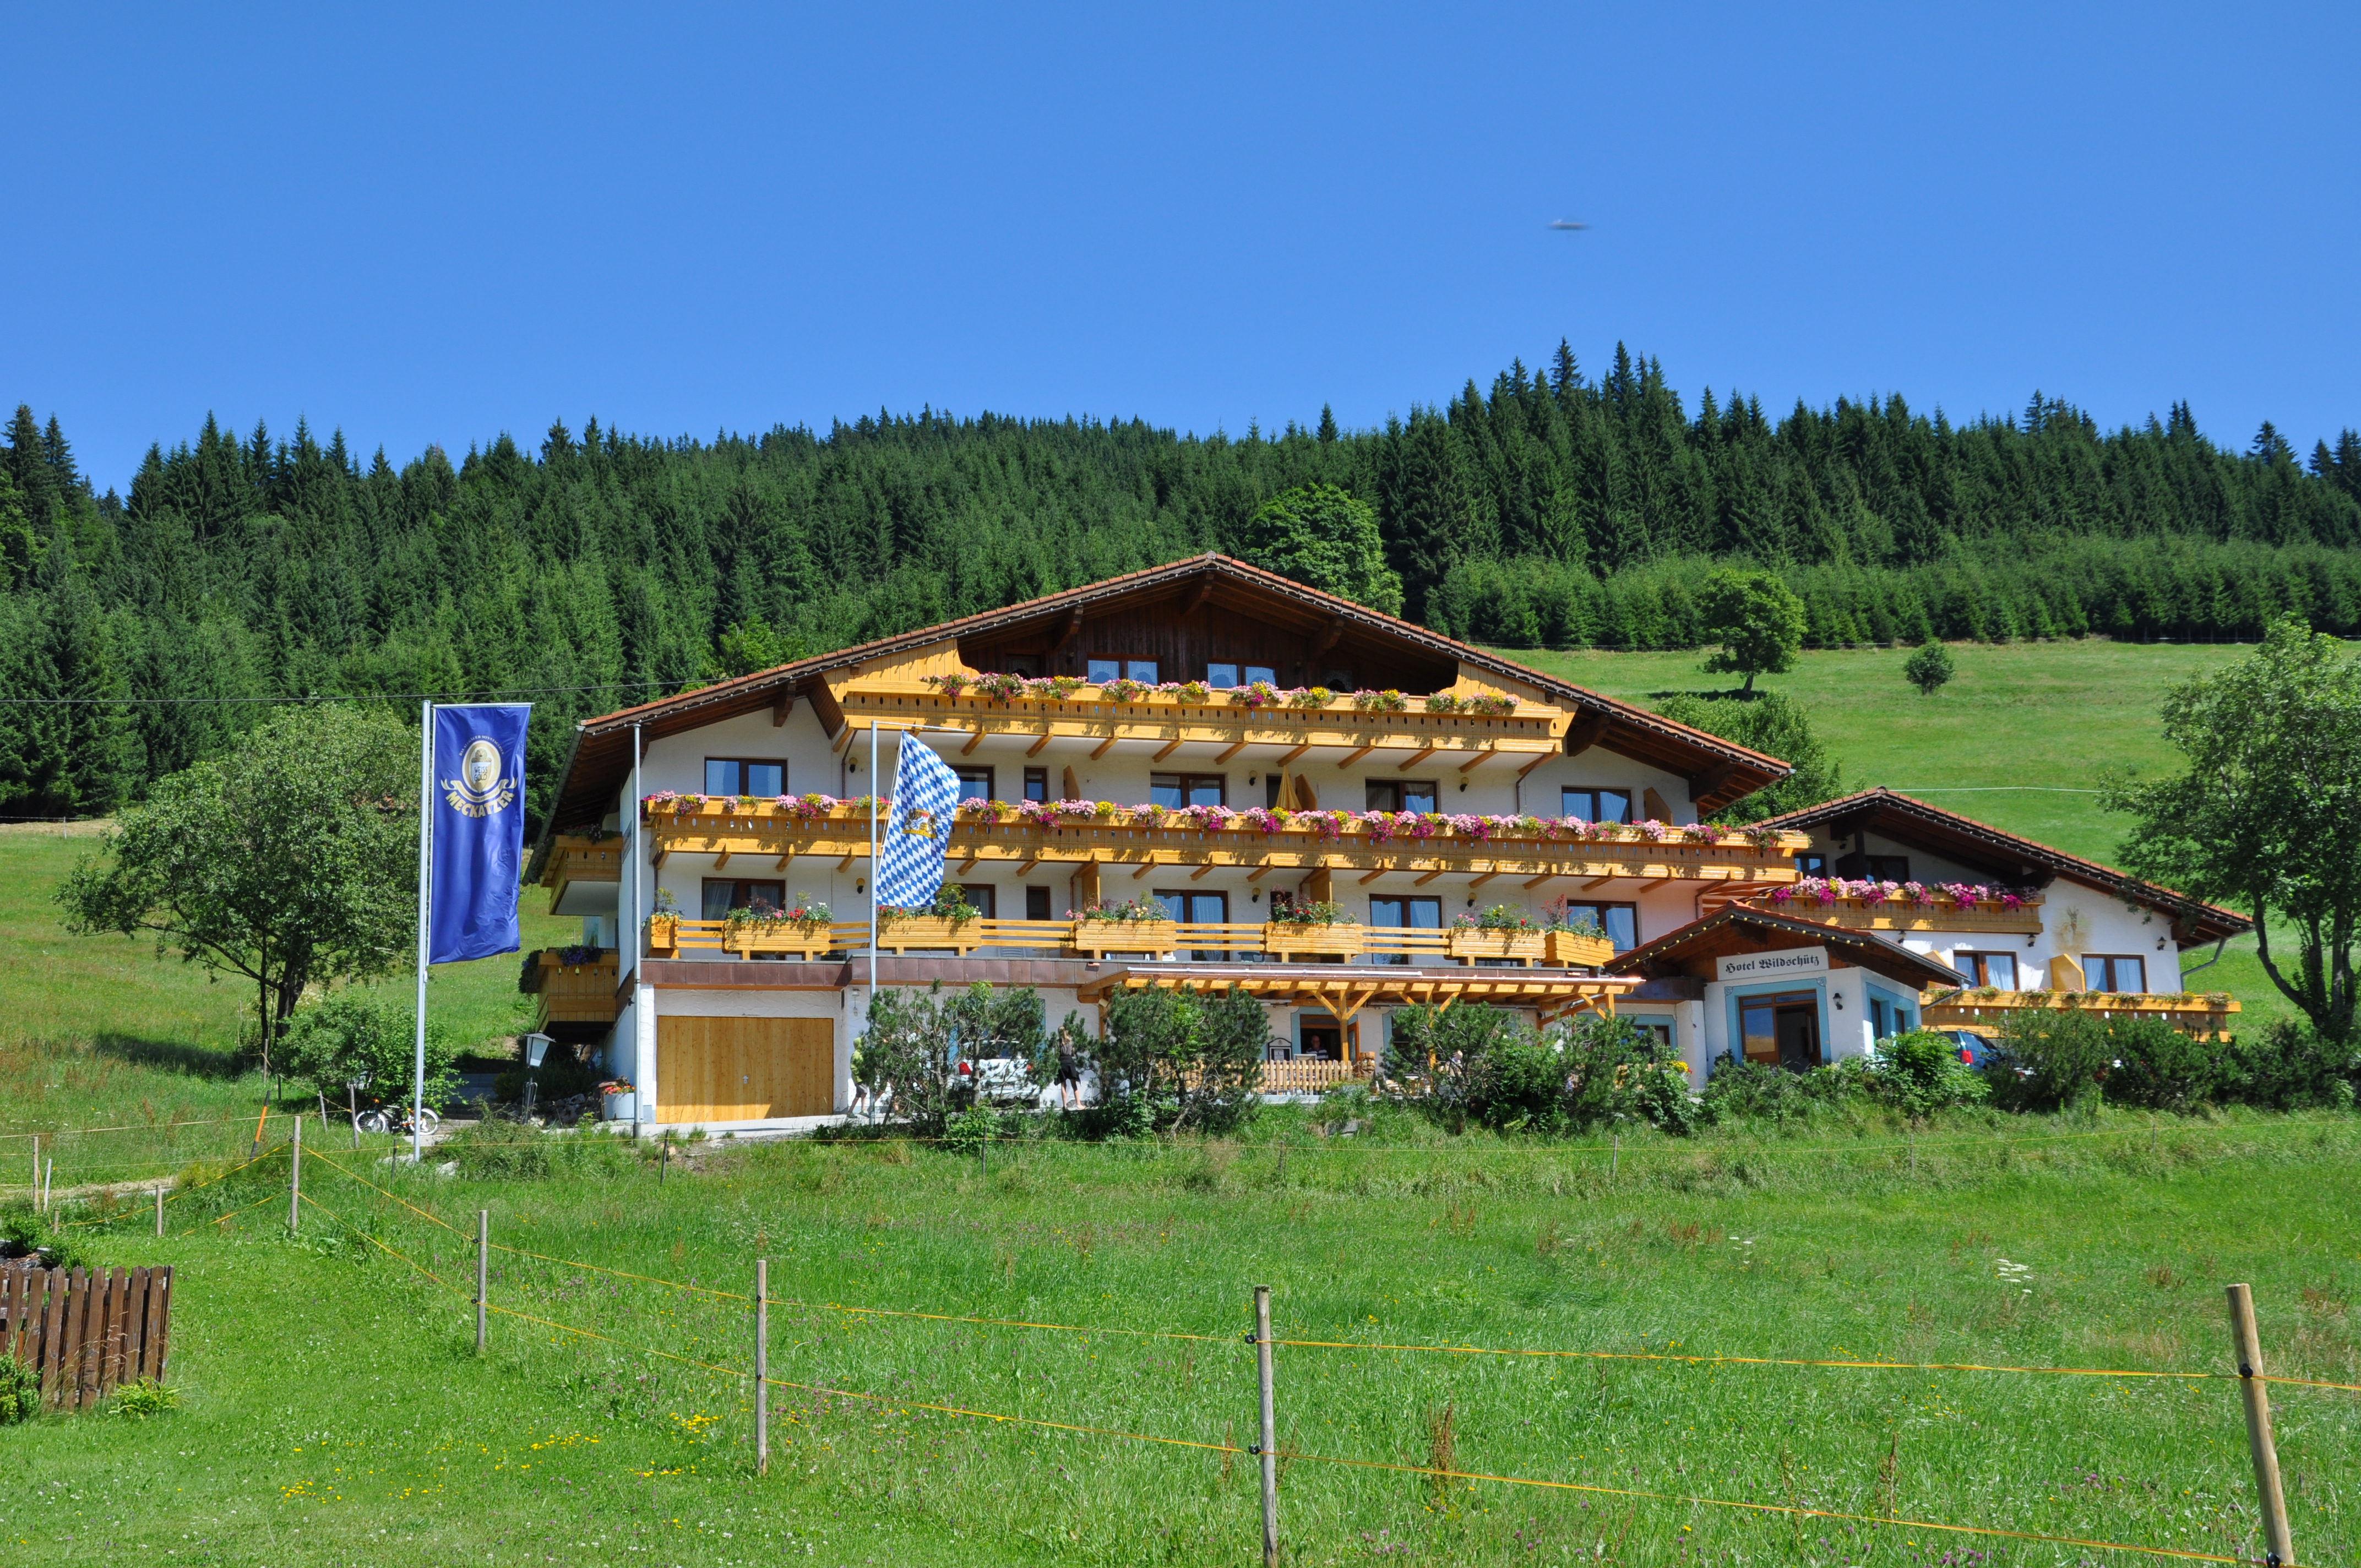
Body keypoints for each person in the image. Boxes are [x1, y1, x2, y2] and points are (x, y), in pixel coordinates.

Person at [1054, 1035, 1082, 1110]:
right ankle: (1079, 1104)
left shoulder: (1057, 1042)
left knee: (1063, 1085)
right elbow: (1073, 1053)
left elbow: (1056, 1055)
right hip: (1069, 1062)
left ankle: (1064, 1106)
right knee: (1074, 1084)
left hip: (1061, 1063)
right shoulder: (1070, 1041)